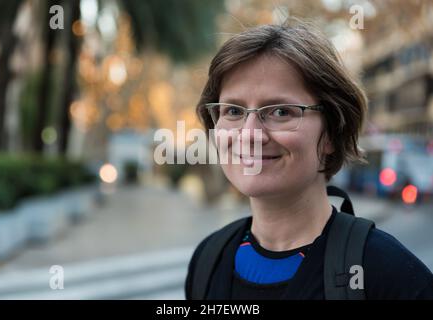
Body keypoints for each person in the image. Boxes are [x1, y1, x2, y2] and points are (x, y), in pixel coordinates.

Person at [184, 19, 433, 300]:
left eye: (280, 112)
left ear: (330, 133)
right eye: (233, 111)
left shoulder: (391, 276)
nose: (250, 134)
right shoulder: (207, 261)